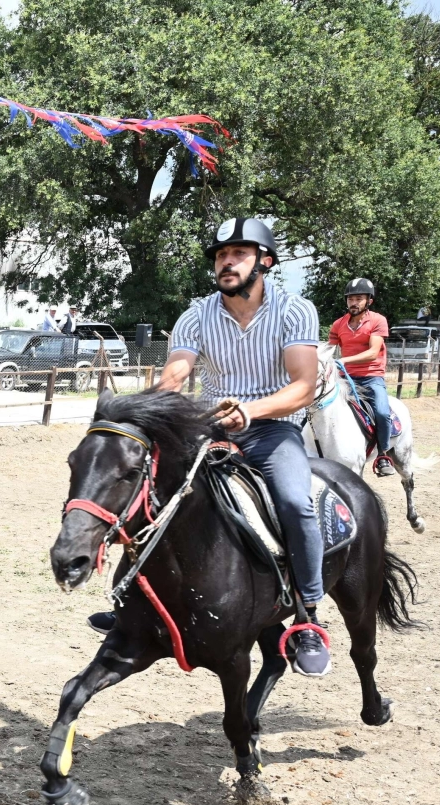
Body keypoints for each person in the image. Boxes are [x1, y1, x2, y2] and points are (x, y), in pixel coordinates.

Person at [94, 217, 330, 677]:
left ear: (265, 262)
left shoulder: (295, 310)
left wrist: (253, 410)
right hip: (210, 427)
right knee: (148, 490)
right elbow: (176, 372)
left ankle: (307, 614)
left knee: (295, 503)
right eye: (222, 255)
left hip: (271, 429)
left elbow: (303, 387)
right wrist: (158, 405)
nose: (226, 262)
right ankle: (131, 602)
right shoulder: (197, 314)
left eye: (238, 254)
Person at [329, 278, 394, 477]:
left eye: (359, 298)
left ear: (369, 302)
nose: (353, 303)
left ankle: (383, 454)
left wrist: (344, 360)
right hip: (345, 378)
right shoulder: (338, 324)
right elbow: (329, 350)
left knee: (382, 412)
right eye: (350, 299)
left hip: (371, 377)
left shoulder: (377, 321)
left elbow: (373, 352)